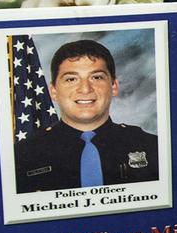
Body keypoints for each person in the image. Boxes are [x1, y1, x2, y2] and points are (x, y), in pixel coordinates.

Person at [15, 39, 158, 193]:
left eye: (96, 77)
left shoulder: (151, 147)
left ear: (114, 86)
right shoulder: (23, 155)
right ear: (53, 91)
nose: (85, 89)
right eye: (71, 79)